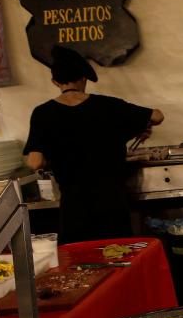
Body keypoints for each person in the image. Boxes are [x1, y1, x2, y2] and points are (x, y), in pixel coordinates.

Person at [23, 46, 163, 243]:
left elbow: (35, 162)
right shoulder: (108, 105)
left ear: (55, 82)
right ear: (84, 78)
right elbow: (157, 115)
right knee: (118, 256)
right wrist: (140, 125)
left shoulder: (42, 113)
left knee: (81, 262)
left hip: (74, 206)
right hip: (112, 202)